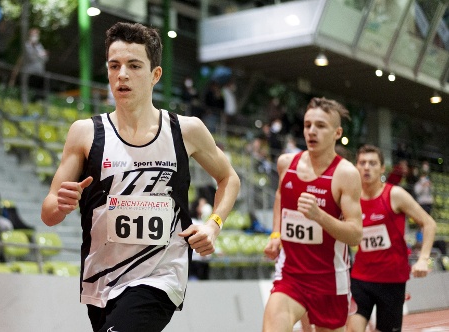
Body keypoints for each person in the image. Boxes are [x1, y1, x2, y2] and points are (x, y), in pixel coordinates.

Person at [40, 22, 240, 332]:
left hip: (160, 277)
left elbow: (229, 178)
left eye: (134, 65)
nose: (122, 74)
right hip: (101, 279)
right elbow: (49, 213)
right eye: (114, 65)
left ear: (155, 75)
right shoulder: (85, 133)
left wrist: (213, 225)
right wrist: (61, 203)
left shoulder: (185, 131)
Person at [262, 97, 363, 332]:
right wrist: (276, 233)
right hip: (291, 276)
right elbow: (280, 197)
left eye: (320, 126)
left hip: (329, 281)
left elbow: (356, 235)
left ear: (337, 132)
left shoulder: (345, 174)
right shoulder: (286, 163)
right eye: (308, 125)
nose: (311, 131)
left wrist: (320, 216)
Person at [347, 145, 437, 332]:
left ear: (382, 168)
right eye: (362, 163)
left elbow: (429, 223)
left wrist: (424, 259)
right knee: (353, 329)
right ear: (355, 167)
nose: (366, 167)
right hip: (360, 277)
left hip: (392, 280)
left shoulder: (394, 195)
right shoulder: (351, 198)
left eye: (372, 163)